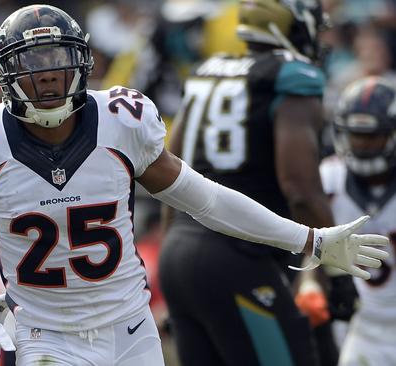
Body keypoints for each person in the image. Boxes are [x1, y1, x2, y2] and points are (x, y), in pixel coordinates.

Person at [0, 5, 388, 366]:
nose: (50, 79)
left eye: (58, 65)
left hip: (134, 331)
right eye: (34, 68)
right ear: (6, 77)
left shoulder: (122, 120)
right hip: (48, 340)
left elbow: (204, 197)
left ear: (80, 65)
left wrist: (305, 241)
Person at [158, 0, 358, 365]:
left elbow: (170, 174)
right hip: (240, 257)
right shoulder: (291, 76)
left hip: (179, 252)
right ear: (294, 25)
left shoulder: (208, 71)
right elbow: (300, 189)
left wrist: (174, 252)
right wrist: (335, 268)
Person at [319, 77, 396, 366]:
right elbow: (309, 248)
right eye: (356, 135)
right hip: (358, 327)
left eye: (372, 136)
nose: (363, 145)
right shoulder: (330, 178)